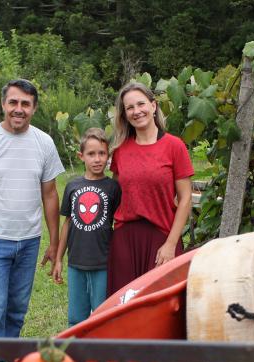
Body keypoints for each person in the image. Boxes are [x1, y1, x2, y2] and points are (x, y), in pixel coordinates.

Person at [0, 79, 64, 337]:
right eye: (13, 102)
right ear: (3, 104)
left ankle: (8, 358)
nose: (19, 109)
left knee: (17, 311)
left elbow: (50, 195)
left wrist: (54, 243)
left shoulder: (44, 143)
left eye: (25, 104)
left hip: (29, 241)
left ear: (34, 108)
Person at [106, 82, 195, 300]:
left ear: (153, 106)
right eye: (130, 107)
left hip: (162, 238)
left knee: (163, 305)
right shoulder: (120, 150)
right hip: (125, 241)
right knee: (123, 306)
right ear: (125, 115)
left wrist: (170, 244)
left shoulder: (174, 146)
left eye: (141, 104)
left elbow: (185, 199)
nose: (136, 111)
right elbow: (116, 194)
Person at [51, 128, 121, 326]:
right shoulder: (72, 186)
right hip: (76, 262)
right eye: (91, 154)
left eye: (102, 153)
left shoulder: (113, 187)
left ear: (108, 155)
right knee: (76, 318)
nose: (97, 159)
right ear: (81, 156)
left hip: (103, 263)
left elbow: (119, 222)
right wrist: (59, 259)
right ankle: (76, 346)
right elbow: (68, 223)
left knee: (102, 316)